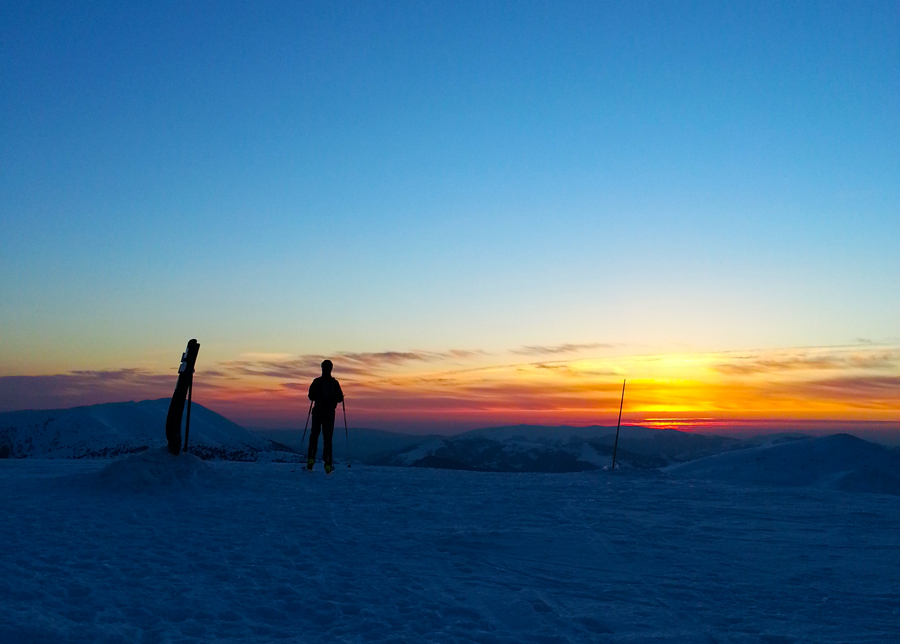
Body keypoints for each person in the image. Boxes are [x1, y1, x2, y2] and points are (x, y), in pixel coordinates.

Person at [307, 359, 344, 473]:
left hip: (317, 412)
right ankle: (328, 464)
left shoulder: (317, 382)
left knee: (314, 436)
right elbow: (340, 398)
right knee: (327, 439)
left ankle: (311, 460)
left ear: (322, 368)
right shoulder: (334, 383)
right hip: (329, 414)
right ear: (331, 369)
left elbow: (311, 396)